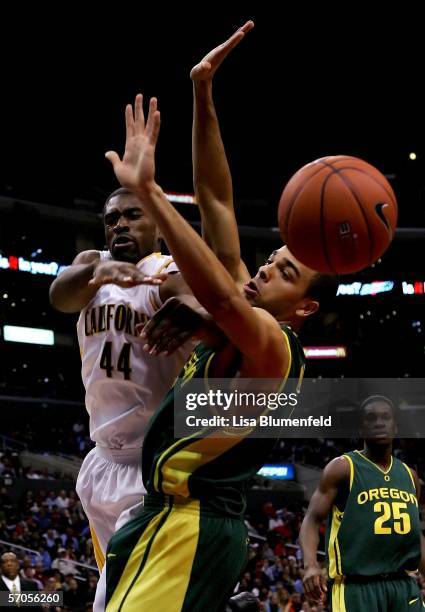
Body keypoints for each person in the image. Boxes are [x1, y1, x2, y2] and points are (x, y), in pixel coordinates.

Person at [101, 27, 335, 602]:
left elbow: (228, 303)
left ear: (305, 306)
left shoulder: (277, 347)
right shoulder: (243, 315)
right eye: (270, 260)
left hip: (194, 523)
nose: (262, 271)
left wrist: (152, 194)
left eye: (284, 274)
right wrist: (203, 96)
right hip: (164, 514)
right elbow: (217, 200)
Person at [49, 184, 196, 610]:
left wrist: (193, 309)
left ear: (159, 227)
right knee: (124, 586)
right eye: (112, 219)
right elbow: (60, 295)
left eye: (133, 215)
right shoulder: (91, 265)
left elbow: (192, 297)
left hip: (153, 463)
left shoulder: (168, 270)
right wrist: (99, 273)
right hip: (100, 462)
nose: (120, 225)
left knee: (117, 598)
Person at [300, 395, 425, 611]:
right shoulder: (342, 468)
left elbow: (415, 535)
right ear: (360, 428)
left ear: (395, 427)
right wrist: (310, 565)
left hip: (403, 586)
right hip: (357, 588)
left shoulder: (410, 476)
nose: (379, 422)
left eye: (386, 417)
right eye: (371, 418)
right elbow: (312, 519)